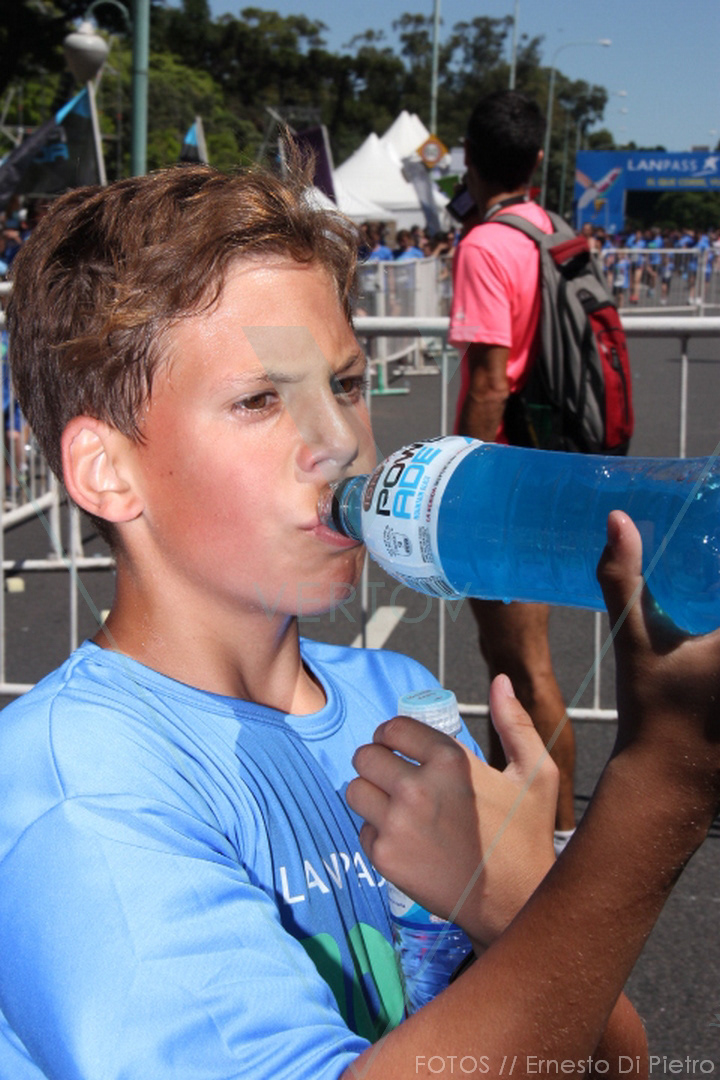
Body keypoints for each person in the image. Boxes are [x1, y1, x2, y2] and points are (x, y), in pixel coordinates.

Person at [1, 162, 718, 1079]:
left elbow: (614, 1060)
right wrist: (661, 785)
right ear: (107, 472)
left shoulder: (396, 697)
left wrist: (520, 901)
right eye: (261, 400)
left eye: (344, 385)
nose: (340, 442)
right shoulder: (75, 793)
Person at [447, 90, 577, 850]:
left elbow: (491, 381)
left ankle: (554, 845)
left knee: (523, 669)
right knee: (512, 666)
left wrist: (461, 483)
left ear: (469, 157)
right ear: (536, 160)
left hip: (506, 480)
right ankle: (528, 831)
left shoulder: (486, 246)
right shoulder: (555, 234)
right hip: (552, 467)